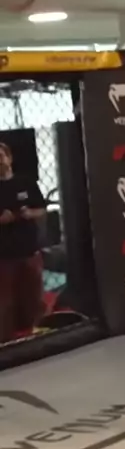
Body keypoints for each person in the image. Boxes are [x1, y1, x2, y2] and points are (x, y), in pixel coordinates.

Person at [0, 143, 47, 342]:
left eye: (0, 156)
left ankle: (38, 334)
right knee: (5, 302)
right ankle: (6, 341)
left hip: (29, 251)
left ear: (9, 158)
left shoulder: (26, 182)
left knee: (34, 297)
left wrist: (29, 213)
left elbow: (42, 209)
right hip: (4, 256)